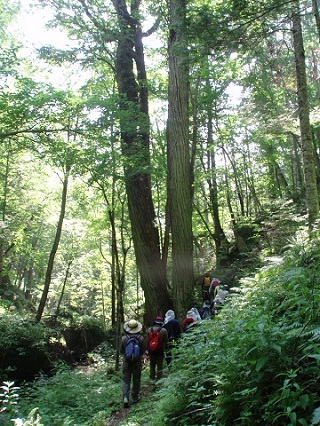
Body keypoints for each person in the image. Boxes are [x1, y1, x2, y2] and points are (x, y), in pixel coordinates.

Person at [120, 319, 146, 408]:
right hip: (137, 362)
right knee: (136, 380)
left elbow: (121, 351)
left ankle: (125, 398)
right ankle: (135, 397)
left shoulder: (123, 338)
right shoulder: (141, 338)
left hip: (126, 362)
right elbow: (143, 351)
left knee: (126, 380)